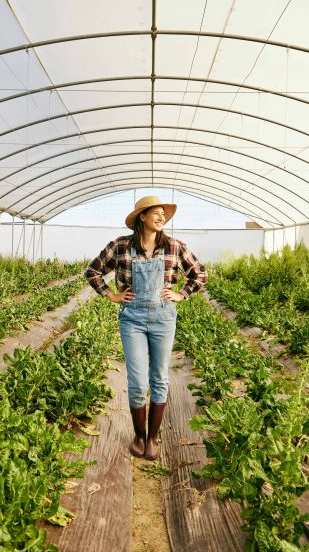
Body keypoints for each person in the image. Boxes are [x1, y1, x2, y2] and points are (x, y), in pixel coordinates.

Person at [85, 195, 208, 461]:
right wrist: (112, 295)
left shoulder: (174, 247)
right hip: (133, 318)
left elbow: (200, 273)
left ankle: (153, 438)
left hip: (164, 317)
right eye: (156, 212)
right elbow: (92, 272)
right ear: (142, 216)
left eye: (164, 213)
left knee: (160, 378)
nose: (162, 217)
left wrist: (182, 294)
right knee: (138, 382)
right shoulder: (119, 246)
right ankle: (139, 436)